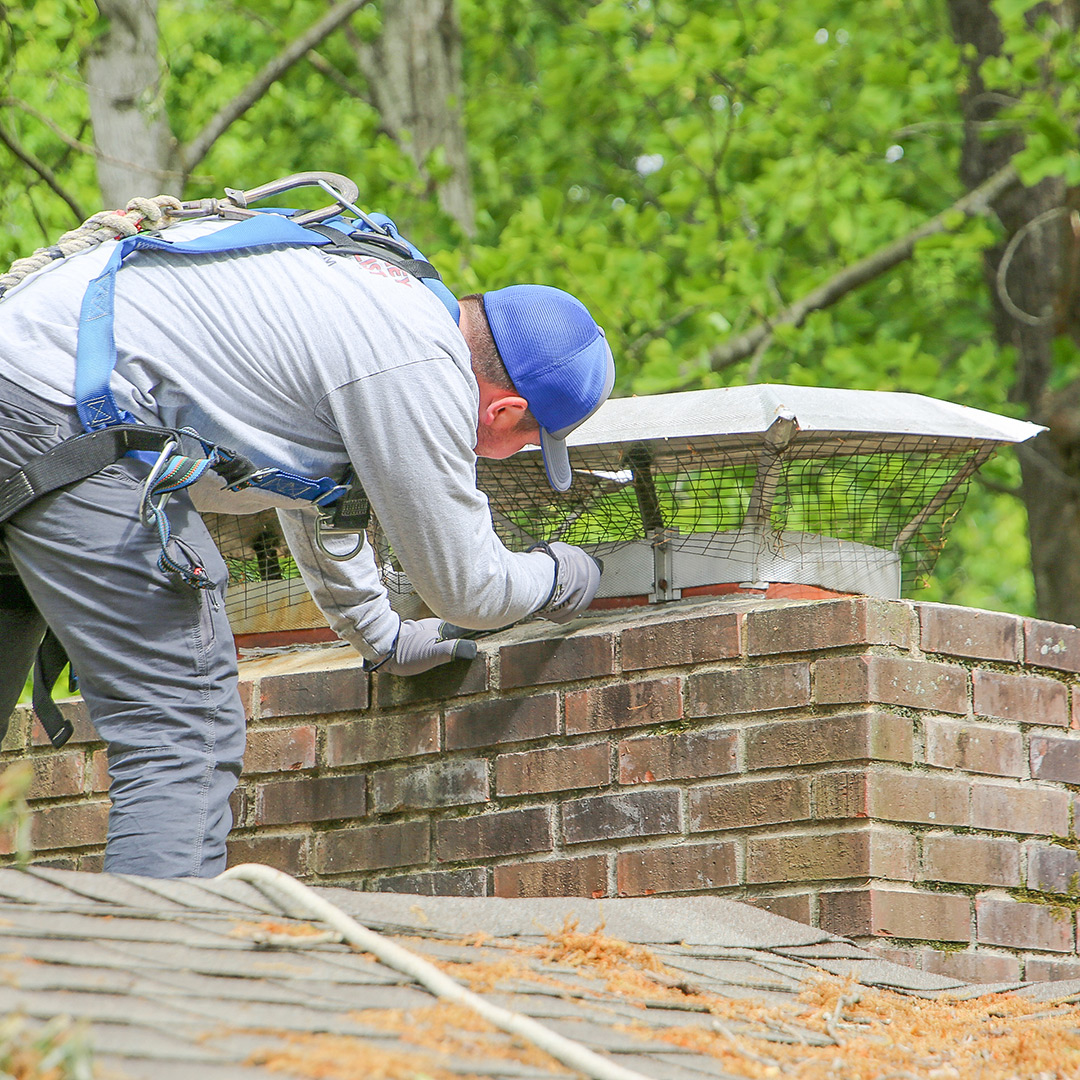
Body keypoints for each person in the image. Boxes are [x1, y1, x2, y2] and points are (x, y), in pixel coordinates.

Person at [0, 188, 614, 878]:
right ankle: (153, 971)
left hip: (24, 389)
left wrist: (379, 637)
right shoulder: (418, 362)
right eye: (528, 445)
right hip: (53, 420)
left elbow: (317, 494)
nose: (505, 458)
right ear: (508, 411)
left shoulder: (377, 292)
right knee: (183, 729)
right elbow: (467, 589)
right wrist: (562, 574)